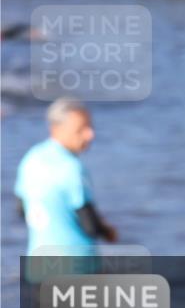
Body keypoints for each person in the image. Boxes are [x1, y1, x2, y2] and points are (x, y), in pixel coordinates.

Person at [14, 98, 117, 256]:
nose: (90, 135)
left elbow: (21, 210)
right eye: (81, 129)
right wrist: (107, 231)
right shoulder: (72, 168)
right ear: (56, 128)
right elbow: (90, 225)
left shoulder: (31, 158)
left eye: (90, 126)